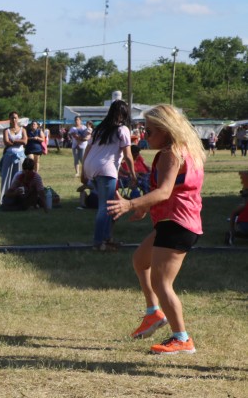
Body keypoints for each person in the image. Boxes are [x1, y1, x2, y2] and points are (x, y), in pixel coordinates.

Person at [107, 104, 206, 355]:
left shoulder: (171, 154)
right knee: (140, 261)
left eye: (148, 131)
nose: (143, 136)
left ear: (165, 130)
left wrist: (131, 203)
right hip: (176, 221)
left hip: (177, 224)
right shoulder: (186, 150)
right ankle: (153, 313)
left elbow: (164, 191)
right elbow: (173, 192)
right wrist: (144, 208)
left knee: (162, 283)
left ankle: (182, 338)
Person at [80, 99, 136, 252]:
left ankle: (107, 238)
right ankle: (98, 243)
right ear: (124, 114)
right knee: (104, 207)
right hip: (106, 169)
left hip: (92, 166)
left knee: (110, 205)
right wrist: (133, 175)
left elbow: (87, 150)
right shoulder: (122, 130)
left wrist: (84, 170)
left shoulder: (99, 129)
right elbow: (128, 156)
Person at [0, 112, 26, 203]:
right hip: (9, 156)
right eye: (12, 118)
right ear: (9, 119)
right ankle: (5, 198)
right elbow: (6, 142)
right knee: (7, 177)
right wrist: (18, 142)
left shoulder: (23, 130)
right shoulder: (6, 130)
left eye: (15, 118)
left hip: (20, 157)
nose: (14, 120)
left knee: (19, 177)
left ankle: (20, 198)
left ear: (18, 119)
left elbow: (25, 141)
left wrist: (13, 140)